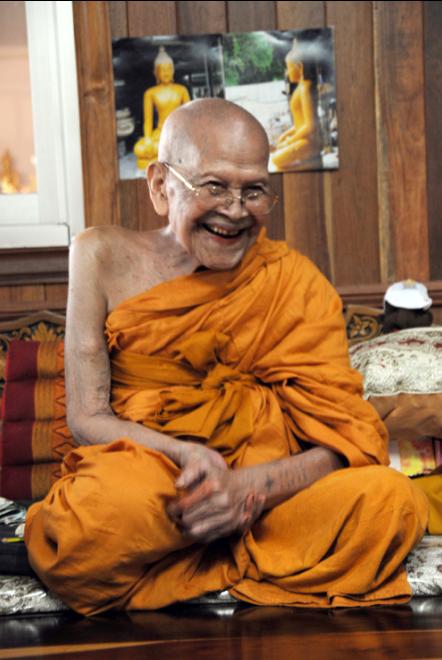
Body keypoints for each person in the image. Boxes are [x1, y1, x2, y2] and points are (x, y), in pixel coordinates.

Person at [25, 99, 428, 616]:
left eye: (253, 191)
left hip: (268, 496)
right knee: (86, 529)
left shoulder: (292, 282)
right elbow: (86, 418)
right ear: (160, 186)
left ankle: (196, 556)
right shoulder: (100, 255)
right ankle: (242, 553)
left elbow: (341, 443)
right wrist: (189, 458)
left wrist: (246, 490)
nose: (235, 210)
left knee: (391, 502)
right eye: (214, 186)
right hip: (160, 480)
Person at [133, 47, 191, 169]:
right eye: (162, 69)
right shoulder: (150, 93)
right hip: (161, 133)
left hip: (180, 132)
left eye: (169, 69)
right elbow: (148, 121)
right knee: (139, 149)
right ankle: (171, 154)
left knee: (188, 144)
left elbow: (190, 116)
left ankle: (169, 153)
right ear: (156, 73)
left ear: (173, 71)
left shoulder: (181, 90)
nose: (166, 72)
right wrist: (148, 139)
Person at [271, 39, 322, 171]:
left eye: (288, 68)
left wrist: (289, 141)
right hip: (303, 137)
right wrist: (285, 136)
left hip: (310, 141)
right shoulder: (300, 88)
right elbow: (300, 123)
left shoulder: (306, 88)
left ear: (299, 66)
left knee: (276, 160)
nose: (287, 73)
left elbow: (310, 126)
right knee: (276, 154)